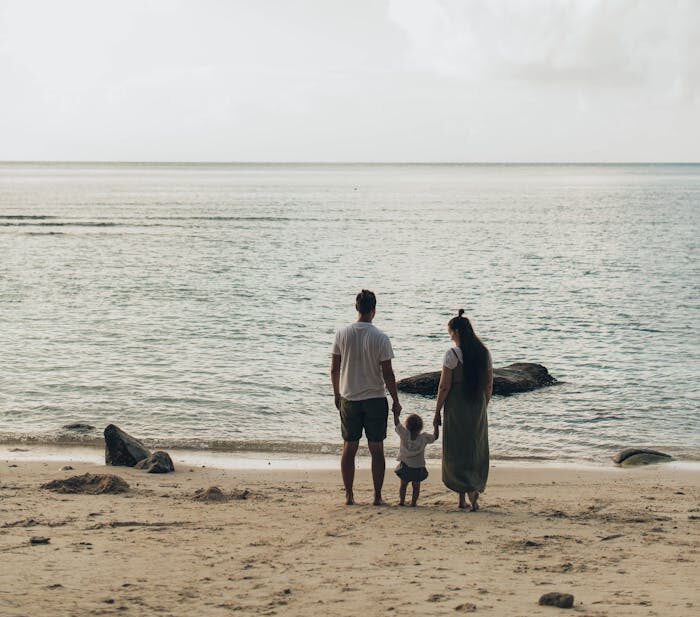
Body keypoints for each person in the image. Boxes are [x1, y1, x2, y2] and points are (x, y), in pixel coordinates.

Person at [331, 290, 402, 505]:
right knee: (376, 448)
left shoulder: (342, 333)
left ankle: (349, 495)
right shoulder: (380, 337)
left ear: (356, 308)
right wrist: (396, 400)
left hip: (349, 397)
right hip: (375, 398)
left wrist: (336, 393)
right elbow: (388, 374)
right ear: (374, 310)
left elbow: (334, 368)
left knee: (349, 447)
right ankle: (377, 496)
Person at [433, 309, 493, 511]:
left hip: (456, 404)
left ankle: (461, 497)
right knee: (475, 447)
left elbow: (444, 386)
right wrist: (484, 404)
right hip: (477, 403)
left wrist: (437, 411)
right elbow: (489, 385)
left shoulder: (452, 355)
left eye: (450, 332)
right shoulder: (484, 353)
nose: (450, 336)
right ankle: (473, 490)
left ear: (456, 331)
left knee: (456, 448)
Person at [393, 412, 438, 507]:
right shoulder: (424, 437)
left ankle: (402, 501)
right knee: (416, 487)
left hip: (405, 466)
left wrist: (396, 413)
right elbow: (435, 437)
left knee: (403, 485)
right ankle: (413, 503)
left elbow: (397, 423)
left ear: (407, 425)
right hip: (418, 467)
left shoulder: (404, 434)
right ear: (421, 427)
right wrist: (436, 425)